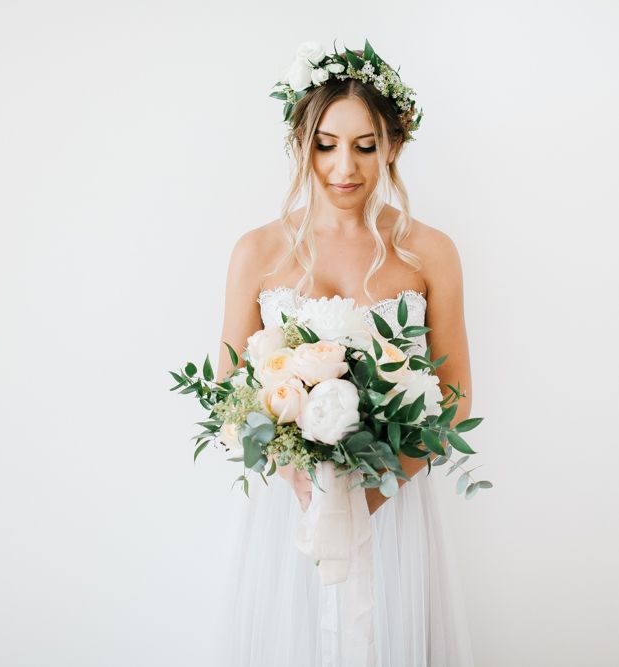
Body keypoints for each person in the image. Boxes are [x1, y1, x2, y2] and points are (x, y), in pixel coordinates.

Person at [214, 40, 474, 666]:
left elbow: (457, 400)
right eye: (326, 144)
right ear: (300, 144)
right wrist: (307, 485)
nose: (344, 168)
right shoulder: (256, 251)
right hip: (292, 513)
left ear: (394, 146)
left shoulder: (429, 252)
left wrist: (368, 499)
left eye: (366, 145)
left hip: (394, 506)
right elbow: (230, 391)